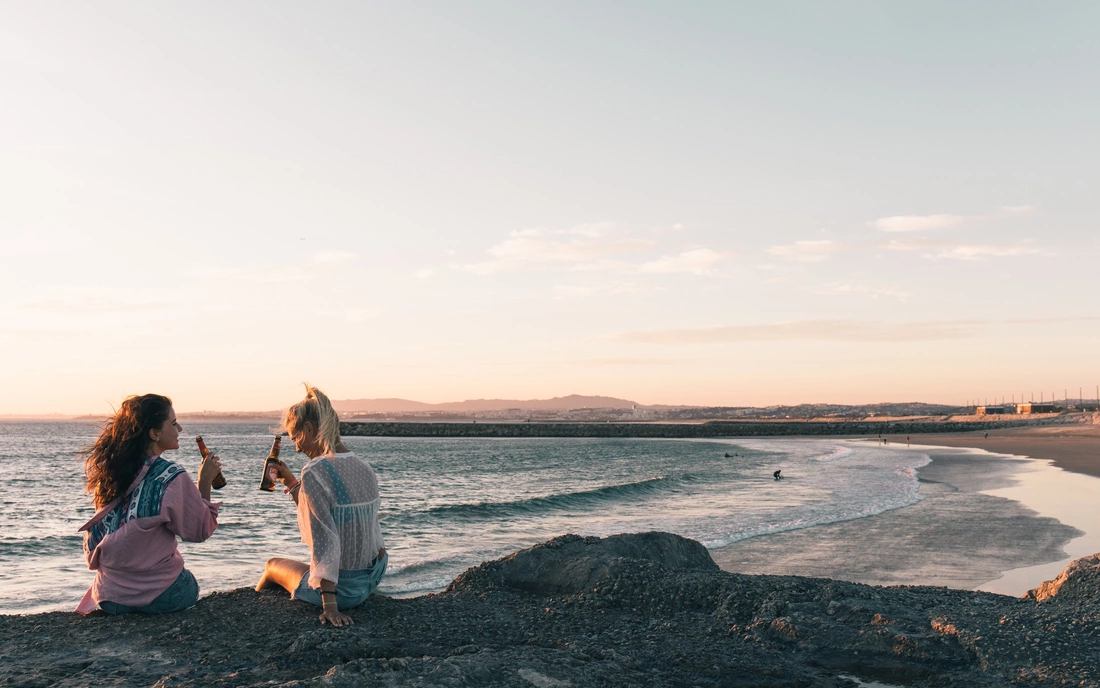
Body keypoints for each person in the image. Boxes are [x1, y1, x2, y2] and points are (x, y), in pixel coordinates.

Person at [76, 394, 221, 615]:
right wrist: (205, 481)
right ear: (154, 434)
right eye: (173, 423)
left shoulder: (109, 474)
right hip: (162, 597)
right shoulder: (170, 476)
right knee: (188, 583)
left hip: (111, 598)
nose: (179, 429)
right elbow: (200, 529)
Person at [256, 386, 387, 627]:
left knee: (272, 565)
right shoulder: (364, 467)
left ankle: (255, 615)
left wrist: (330, 607)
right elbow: (338, 520)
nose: (297, 448)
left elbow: (325, 542)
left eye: (295, 438)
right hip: (373, 577)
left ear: (308, 429)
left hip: (343, 591)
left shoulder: (314, 470)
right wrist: (291, 483)